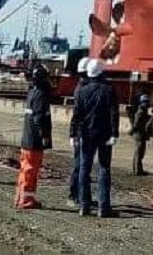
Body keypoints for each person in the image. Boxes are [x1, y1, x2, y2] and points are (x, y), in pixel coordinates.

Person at [70, 58, 120, 217]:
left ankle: (83, 205)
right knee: (104, 169)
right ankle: (103, 208)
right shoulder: (109, 90)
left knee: (84, 169)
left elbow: (76, 115)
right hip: (104, 135)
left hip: (86, 135)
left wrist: (72, 134)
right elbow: (114, 114)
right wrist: (114, 133)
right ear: (101, 72)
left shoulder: (82, 91)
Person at [15, 65, 53, 210]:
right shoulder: (41, 95)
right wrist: (44, 135)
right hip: (34, 139)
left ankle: (21, 197)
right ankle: (26, 200)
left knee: (25, 169)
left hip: (27, 137)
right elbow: (39, 118)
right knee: (30, 170)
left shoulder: (32, 92)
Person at [67, 57, 90, 207]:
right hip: (83, 133)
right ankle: (76, 195)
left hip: (79, 132)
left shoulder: (79, 87)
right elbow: (77, 114)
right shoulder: (83, 90)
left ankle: (77, 195)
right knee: (81, 166)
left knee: (79, 165)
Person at [129, 93, 152, 175]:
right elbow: (137, 121)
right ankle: (137, 170)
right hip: (139, 133)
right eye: (146, 102)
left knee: (139, 151)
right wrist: (133, 129)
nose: (148, 104)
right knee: (139, 152)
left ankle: (138, 169)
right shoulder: (141, 110)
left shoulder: (143, 110)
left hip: (140, 133)